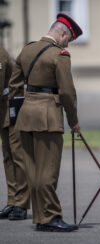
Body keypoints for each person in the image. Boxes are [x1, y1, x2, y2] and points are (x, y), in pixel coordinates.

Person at [8, 13, 82, 232]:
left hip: (25, 116)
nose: (68, 44)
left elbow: (14, 87)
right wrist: (74, 121)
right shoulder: (60, 55)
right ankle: (49, 217)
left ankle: (41, 217)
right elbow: (67, 93)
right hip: (48, 117)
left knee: (33, 171)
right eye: (68, 39)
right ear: (62, 34)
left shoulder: (26, 49)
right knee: (48, 171)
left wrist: (22, 110)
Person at [0, 46, 30, 221]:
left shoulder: (0, 54)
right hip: (3, 110)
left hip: (13, 108)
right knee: (8, 156)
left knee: (18, 156)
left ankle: (22, 204)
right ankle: (13, 200)